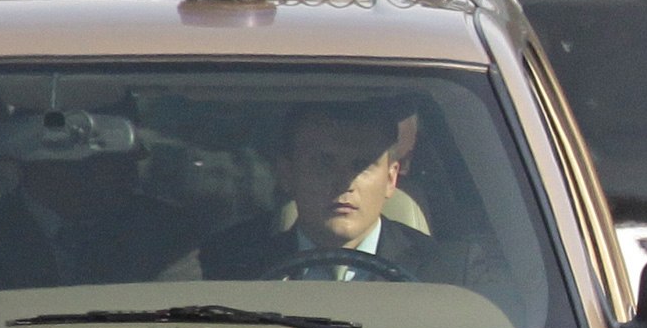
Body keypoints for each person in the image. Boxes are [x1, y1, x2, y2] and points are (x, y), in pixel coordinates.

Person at [0, 107, 200, 311]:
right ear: (39, 159)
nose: (131, 175)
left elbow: (183, 318)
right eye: (111, 159)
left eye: (129, 159)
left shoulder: (169, 234)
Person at [190, 102, 472, 283]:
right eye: (323, 162)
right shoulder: (228, 266)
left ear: (390, 179)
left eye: (361, 166)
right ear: (287, 174)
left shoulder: (448, 275)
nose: (343, 183)